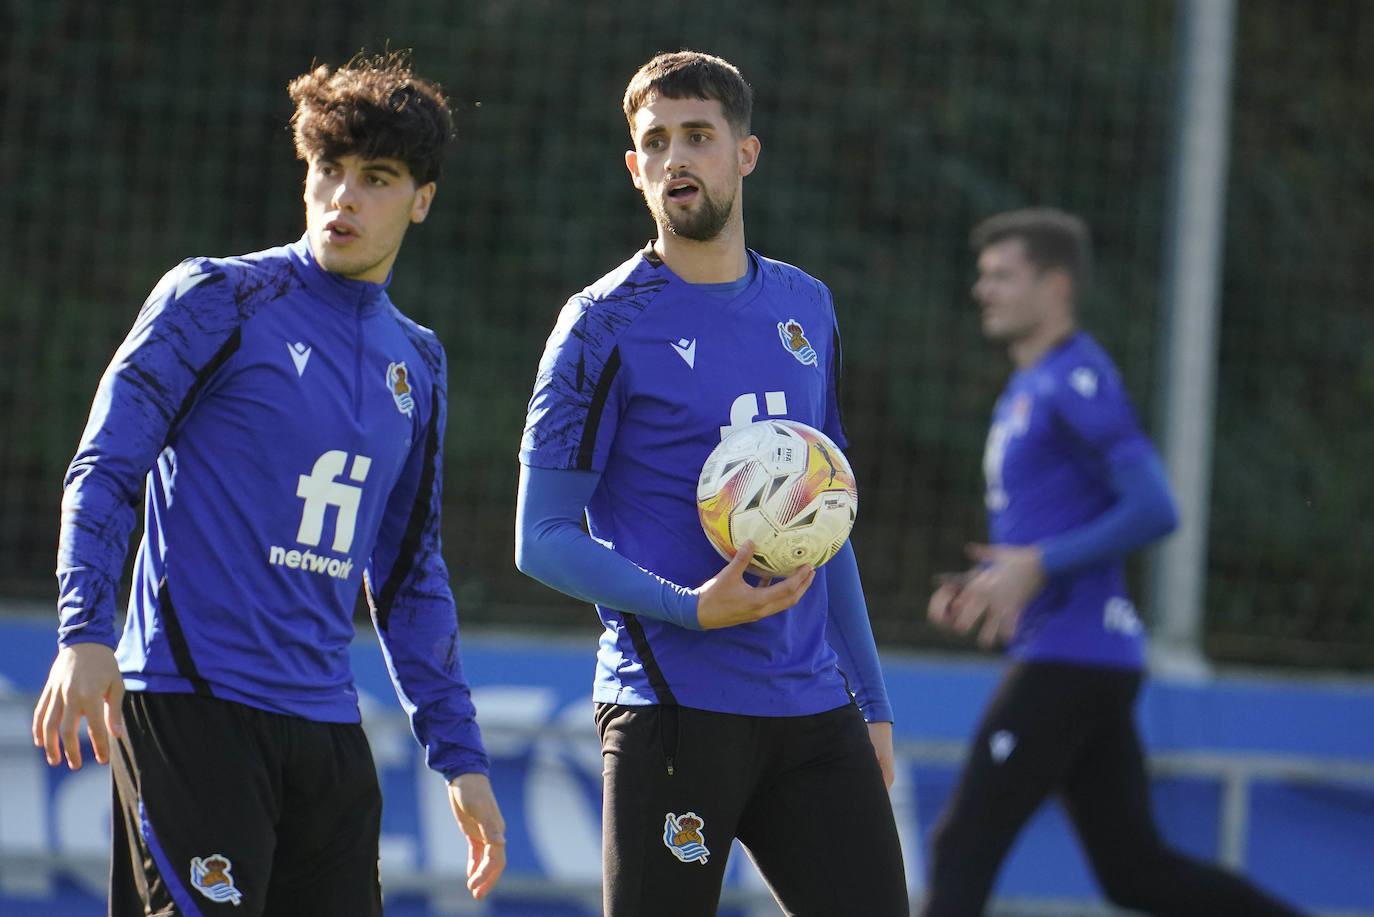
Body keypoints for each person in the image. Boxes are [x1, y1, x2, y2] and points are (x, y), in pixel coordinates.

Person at [30, 52, 506, 915]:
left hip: (326, 736)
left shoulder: (419, 365)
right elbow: (108, 464)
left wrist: (460, 756)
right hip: (191, 709)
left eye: (378, 177)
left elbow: (407, 576)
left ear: (422, 199)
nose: (345, 197)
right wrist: (84, 628)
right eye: (329, 169)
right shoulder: (215, 298)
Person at [515, 50, 908, 917]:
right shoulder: (600, 325)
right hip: (670, 710)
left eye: (698, 135)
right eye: (655, 142)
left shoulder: (807, 305)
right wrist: (692, 606)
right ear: (634, 169)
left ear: (746, 153)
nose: (676, 159)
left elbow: (825, 521)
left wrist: (870, 700)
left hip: (812, 710)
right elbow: (539, 536)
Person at [920, 207, 1305, 916]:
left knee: (960, 846)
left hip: (1074, 656)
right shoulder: (1026, 389)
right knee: (1136, 872)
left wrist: (1037, 565)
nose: (984, 289)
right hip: (1086, 655)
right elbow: (1055, 536)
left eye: (1003, 275)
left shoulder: (1076, 377)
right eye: (983, 276)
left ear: (1056, 287)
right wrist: (993, 584)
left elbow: (1157, 506)